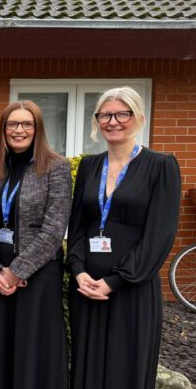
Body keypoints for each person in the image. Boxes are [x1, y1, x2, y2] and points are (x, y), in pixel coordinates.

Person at [67, 87, 181, 389]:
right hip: (87, 286)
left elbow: (160, 235)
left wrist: (116, 280)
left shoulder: (161, 165)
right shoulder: (90, 165)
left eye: (122, 114)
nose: (113, 121)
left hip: (131, 287)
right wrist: (78, 271)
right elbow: (77, 225)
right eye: (105, 115)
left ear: (138, 117)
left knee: (124, 369)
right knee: (87, 368)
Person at [0, 100, 71, 389]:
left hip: (38, 276)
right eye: (12, 124)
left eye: (26, 124)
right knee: (2, 351)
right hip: (0, 278)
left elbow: (54, 229)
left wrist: (16, 271)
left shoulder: (56, 167)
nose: (19, 130)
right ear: (3, 130)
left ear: (37, 128)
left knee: (33, 353)